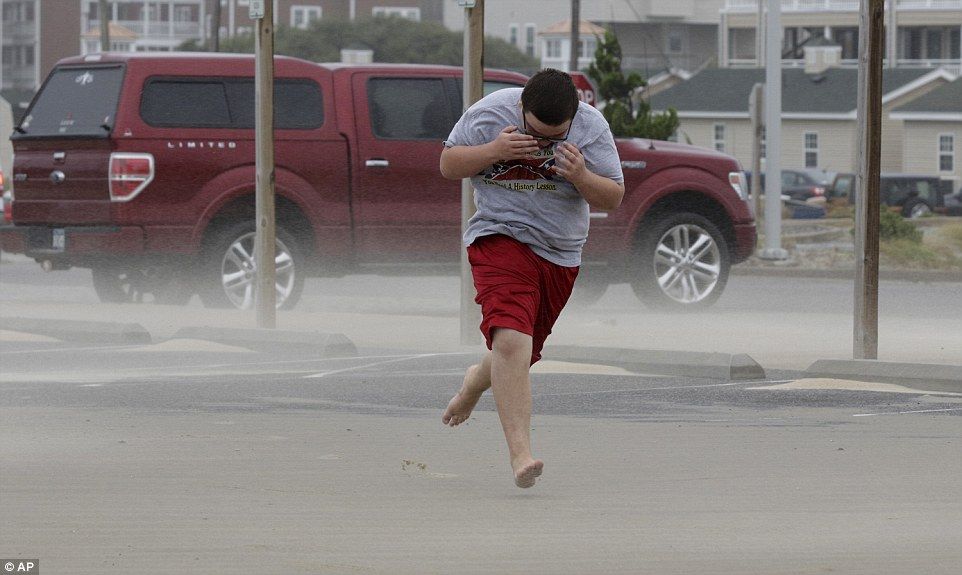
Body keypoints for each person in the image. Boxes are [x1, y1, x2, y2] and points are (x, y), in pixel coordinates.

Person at [439, 69, 625, 488]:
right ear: (521, 107)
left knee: (521, 351)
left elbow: (613, 196)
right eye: (536, 135)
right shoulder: (490, 113)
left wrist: (580, 175)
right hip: (499, 236)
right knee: (512, 341)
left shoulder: (592, 127)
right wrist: (493, 149)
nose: (544, 145)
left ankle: (475, 381)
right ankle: (521, 454)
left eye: (553, 138)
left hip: (560, 252)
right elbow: (448, 164)